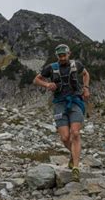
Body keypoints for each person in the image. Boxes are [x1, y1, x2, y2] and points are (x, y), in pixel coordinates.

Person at [33, 44, 90, 181]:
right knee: (65, 138)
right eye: (60, 56)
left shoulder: (76, 65)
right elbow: (36, 79)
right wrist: (47, 84)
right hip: (59, 103)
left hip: (75, 101)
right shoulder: (51, 68)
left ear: (69, 53)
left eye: (64, 55)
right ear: (57, 56)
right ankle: (73, 154)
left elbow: (86, 74)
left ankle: (76, 167)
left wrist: (86, 88)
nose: (62, 57)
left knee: (75, 133)